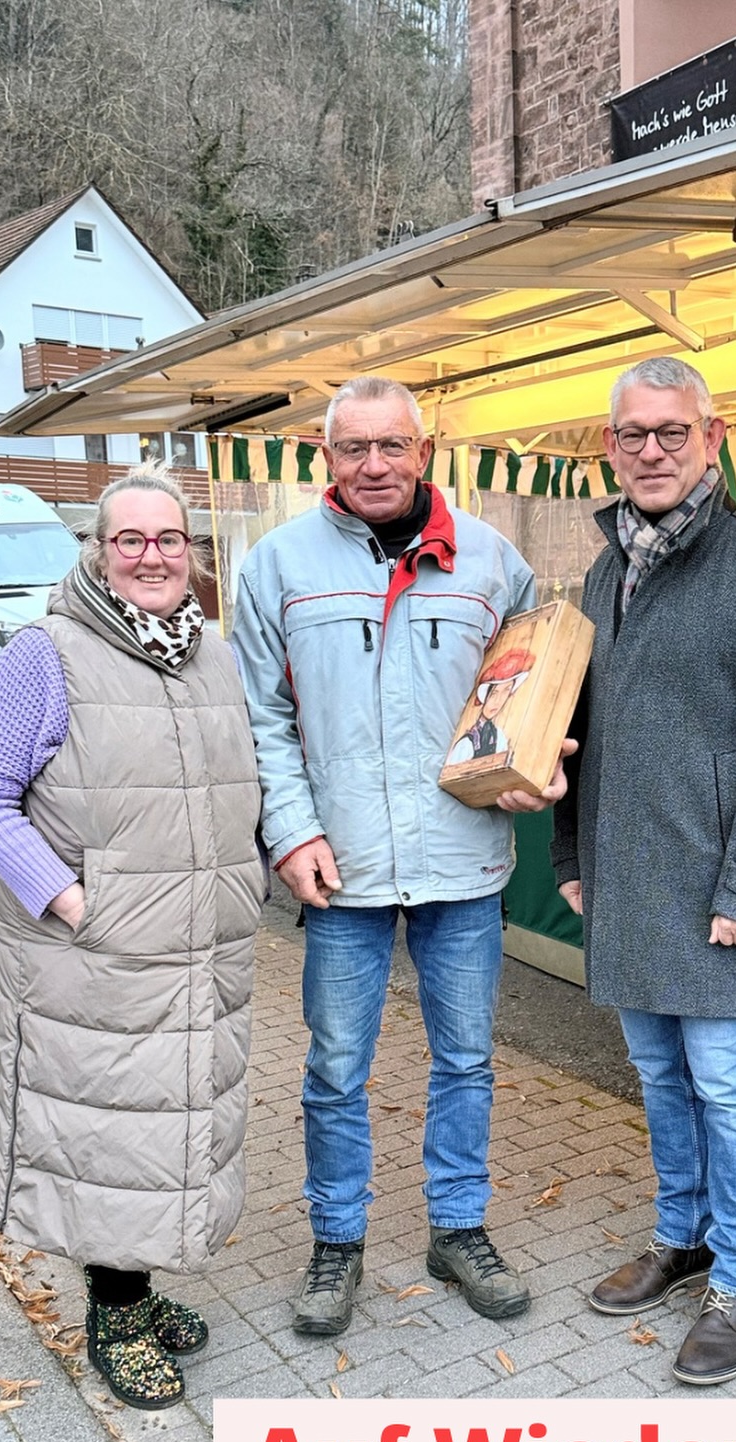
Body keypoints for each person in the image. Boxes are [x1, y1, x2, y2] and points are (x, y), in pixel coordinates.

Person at [231, 375, 571, 1338]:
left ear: (426, 451)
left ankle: (457, 1229)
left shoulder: (493, 564)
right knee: (338, 1068)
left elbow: (527, 693)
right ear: (323, 455)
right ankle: (337, 1243)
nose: (373, 464)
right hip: (342, 872)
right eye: (353, 448)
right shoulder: (278, 567)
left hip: (464, 861)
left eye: (392, 446)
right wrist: (291, 832)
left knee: (464, 1061)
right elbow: (260, 719)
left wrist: (534, 760)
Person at [0, 466, 264, 1411]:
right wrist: (79, 905)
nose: (152, 556)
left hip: (200, 947)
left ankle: (137, 1284)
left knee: (168, 1127)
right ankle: (116, 1311)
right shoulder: (44, 656)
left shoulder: (209, 653)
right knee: (107, 1132)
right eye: (129, 540)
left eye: (169, 539)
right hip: (97, 952)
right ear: (96, 551)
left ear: (191, 551)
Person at [552, 356, 736, 1387]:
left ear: (713, 438)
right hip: (628, 873)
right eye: (635, 433)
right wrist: (573, 855)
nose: (654, 449)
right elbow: (583, 725)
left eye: (674, 431)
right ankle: (686, 1237)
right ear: (611, 444)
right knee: (660, 1076)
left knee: (724, 1080)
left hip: (720, 881)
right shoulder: (601, 566)